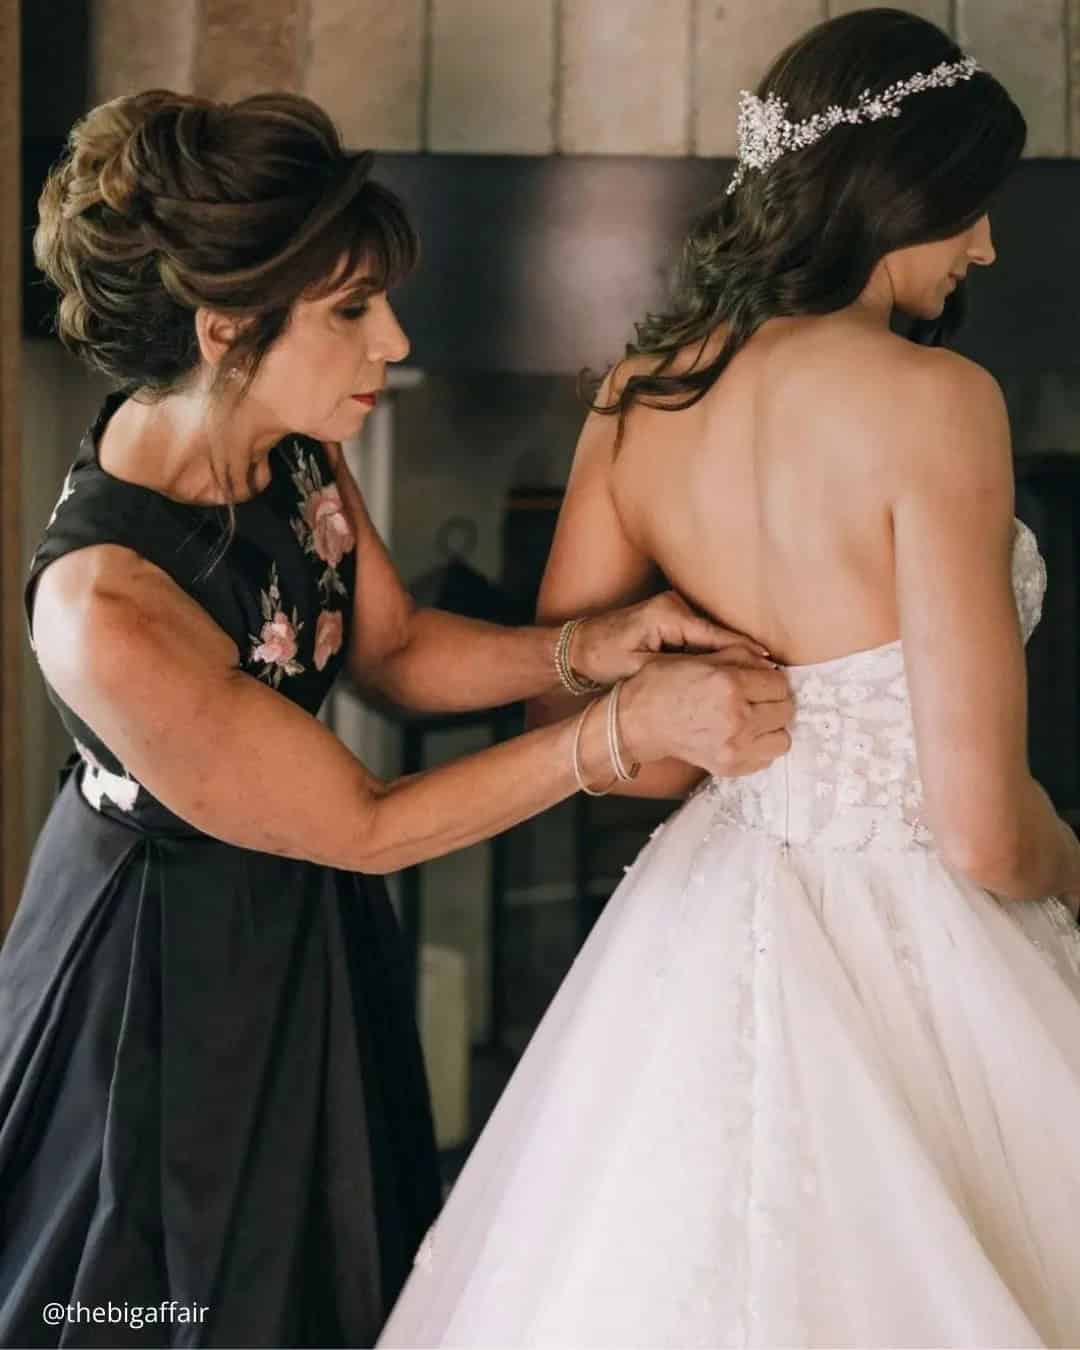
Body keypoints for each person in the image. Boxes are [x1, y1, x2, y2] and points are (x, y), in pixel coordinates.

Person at [0, 91, 795, 1348]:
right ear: (223, 328)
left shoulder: (291, 454)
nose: (395, 341)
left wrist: (589, 646)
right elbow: (366, 820)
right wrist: (625, 730)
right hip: (166, 977)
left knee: (335, 1273)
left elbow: (398, 651)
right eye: (352, 312)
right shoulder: (107, 607)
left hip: (307, 914)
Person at [377, 10, 1080, 1348]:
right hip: (924, 935)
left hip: (710, 907)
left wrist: (711, 704)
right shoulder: (941, 403)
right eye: (972, 206)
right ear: (899, 189)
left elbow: (592, 741)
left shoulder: (642, 396)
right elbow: (987, 833)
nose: (986, 244)